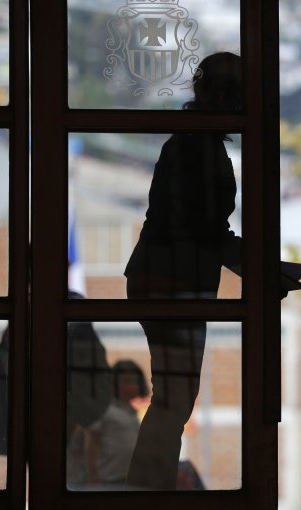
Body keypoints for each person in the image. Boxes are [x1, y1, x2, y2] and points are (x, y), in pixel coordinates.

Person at [123, 51, 243, 490]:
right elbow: (202, 226)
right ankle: (145, 491)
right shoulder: (196, 145)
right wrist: (257, 265)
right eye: (225, 88)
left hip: (171, 277)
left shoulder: (193, 141)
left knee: (173, 399)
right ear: (204, 90)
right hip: (175, 279)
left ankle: (146, 489)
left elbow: (202, 226)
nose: (231, 98)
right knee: (175, 399)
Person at [81, 360, 149, 489]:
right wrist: (93, 477)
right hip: (109, 480)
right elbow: (91, 444)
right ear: (113, 383)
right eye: (126, 381)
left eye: (135, 381)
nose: (132, 386)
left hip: (128, 478)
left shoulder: (131, 412)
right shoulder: (104, 409)